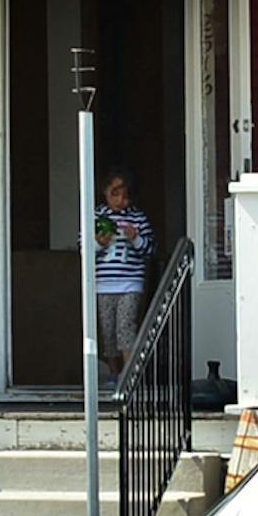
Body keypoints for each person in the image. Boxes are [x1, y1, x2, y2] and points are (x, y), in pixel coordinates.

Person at [94, 165, 155, 385]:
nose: (120, 201)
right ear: (105, 192)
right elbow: (83, 248)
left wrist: (136, 239)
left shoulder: (137, 218)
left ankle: (130, 375)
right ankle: (114, 374)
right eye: (115, 194)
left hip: (130, 282)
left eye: (125, 196)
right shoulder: (96, 216)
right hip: (103, 284)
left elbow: (150, 249)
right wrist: (98, 243)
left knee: (125, 327)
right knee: (108, 331)